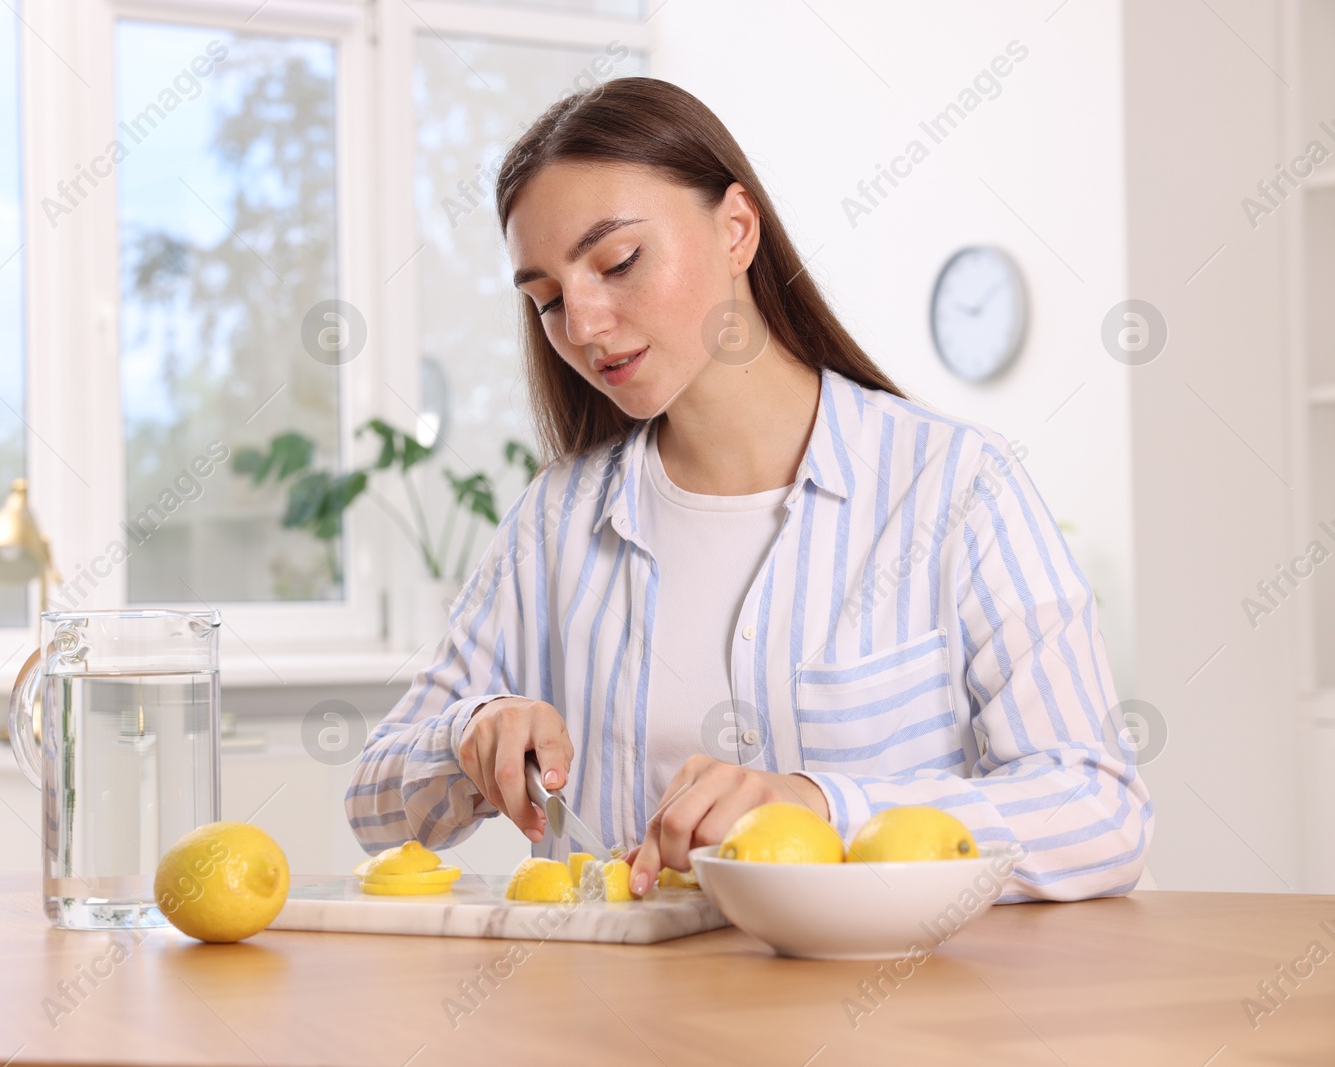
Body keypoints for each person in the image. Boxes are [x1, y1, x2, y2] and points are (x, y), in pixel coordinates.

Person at [346, 77, 1152, 902]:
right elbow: (373, 805)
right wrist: (467, 736)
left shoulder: (955, 485)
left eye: (618, 262)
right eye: (548, 300)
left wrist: (824, 806)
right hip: (607, 1023)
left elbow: (1098, 811)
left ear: (737, 229)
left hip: (885, 1021)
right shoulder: (554, 522)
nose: (582, 326)